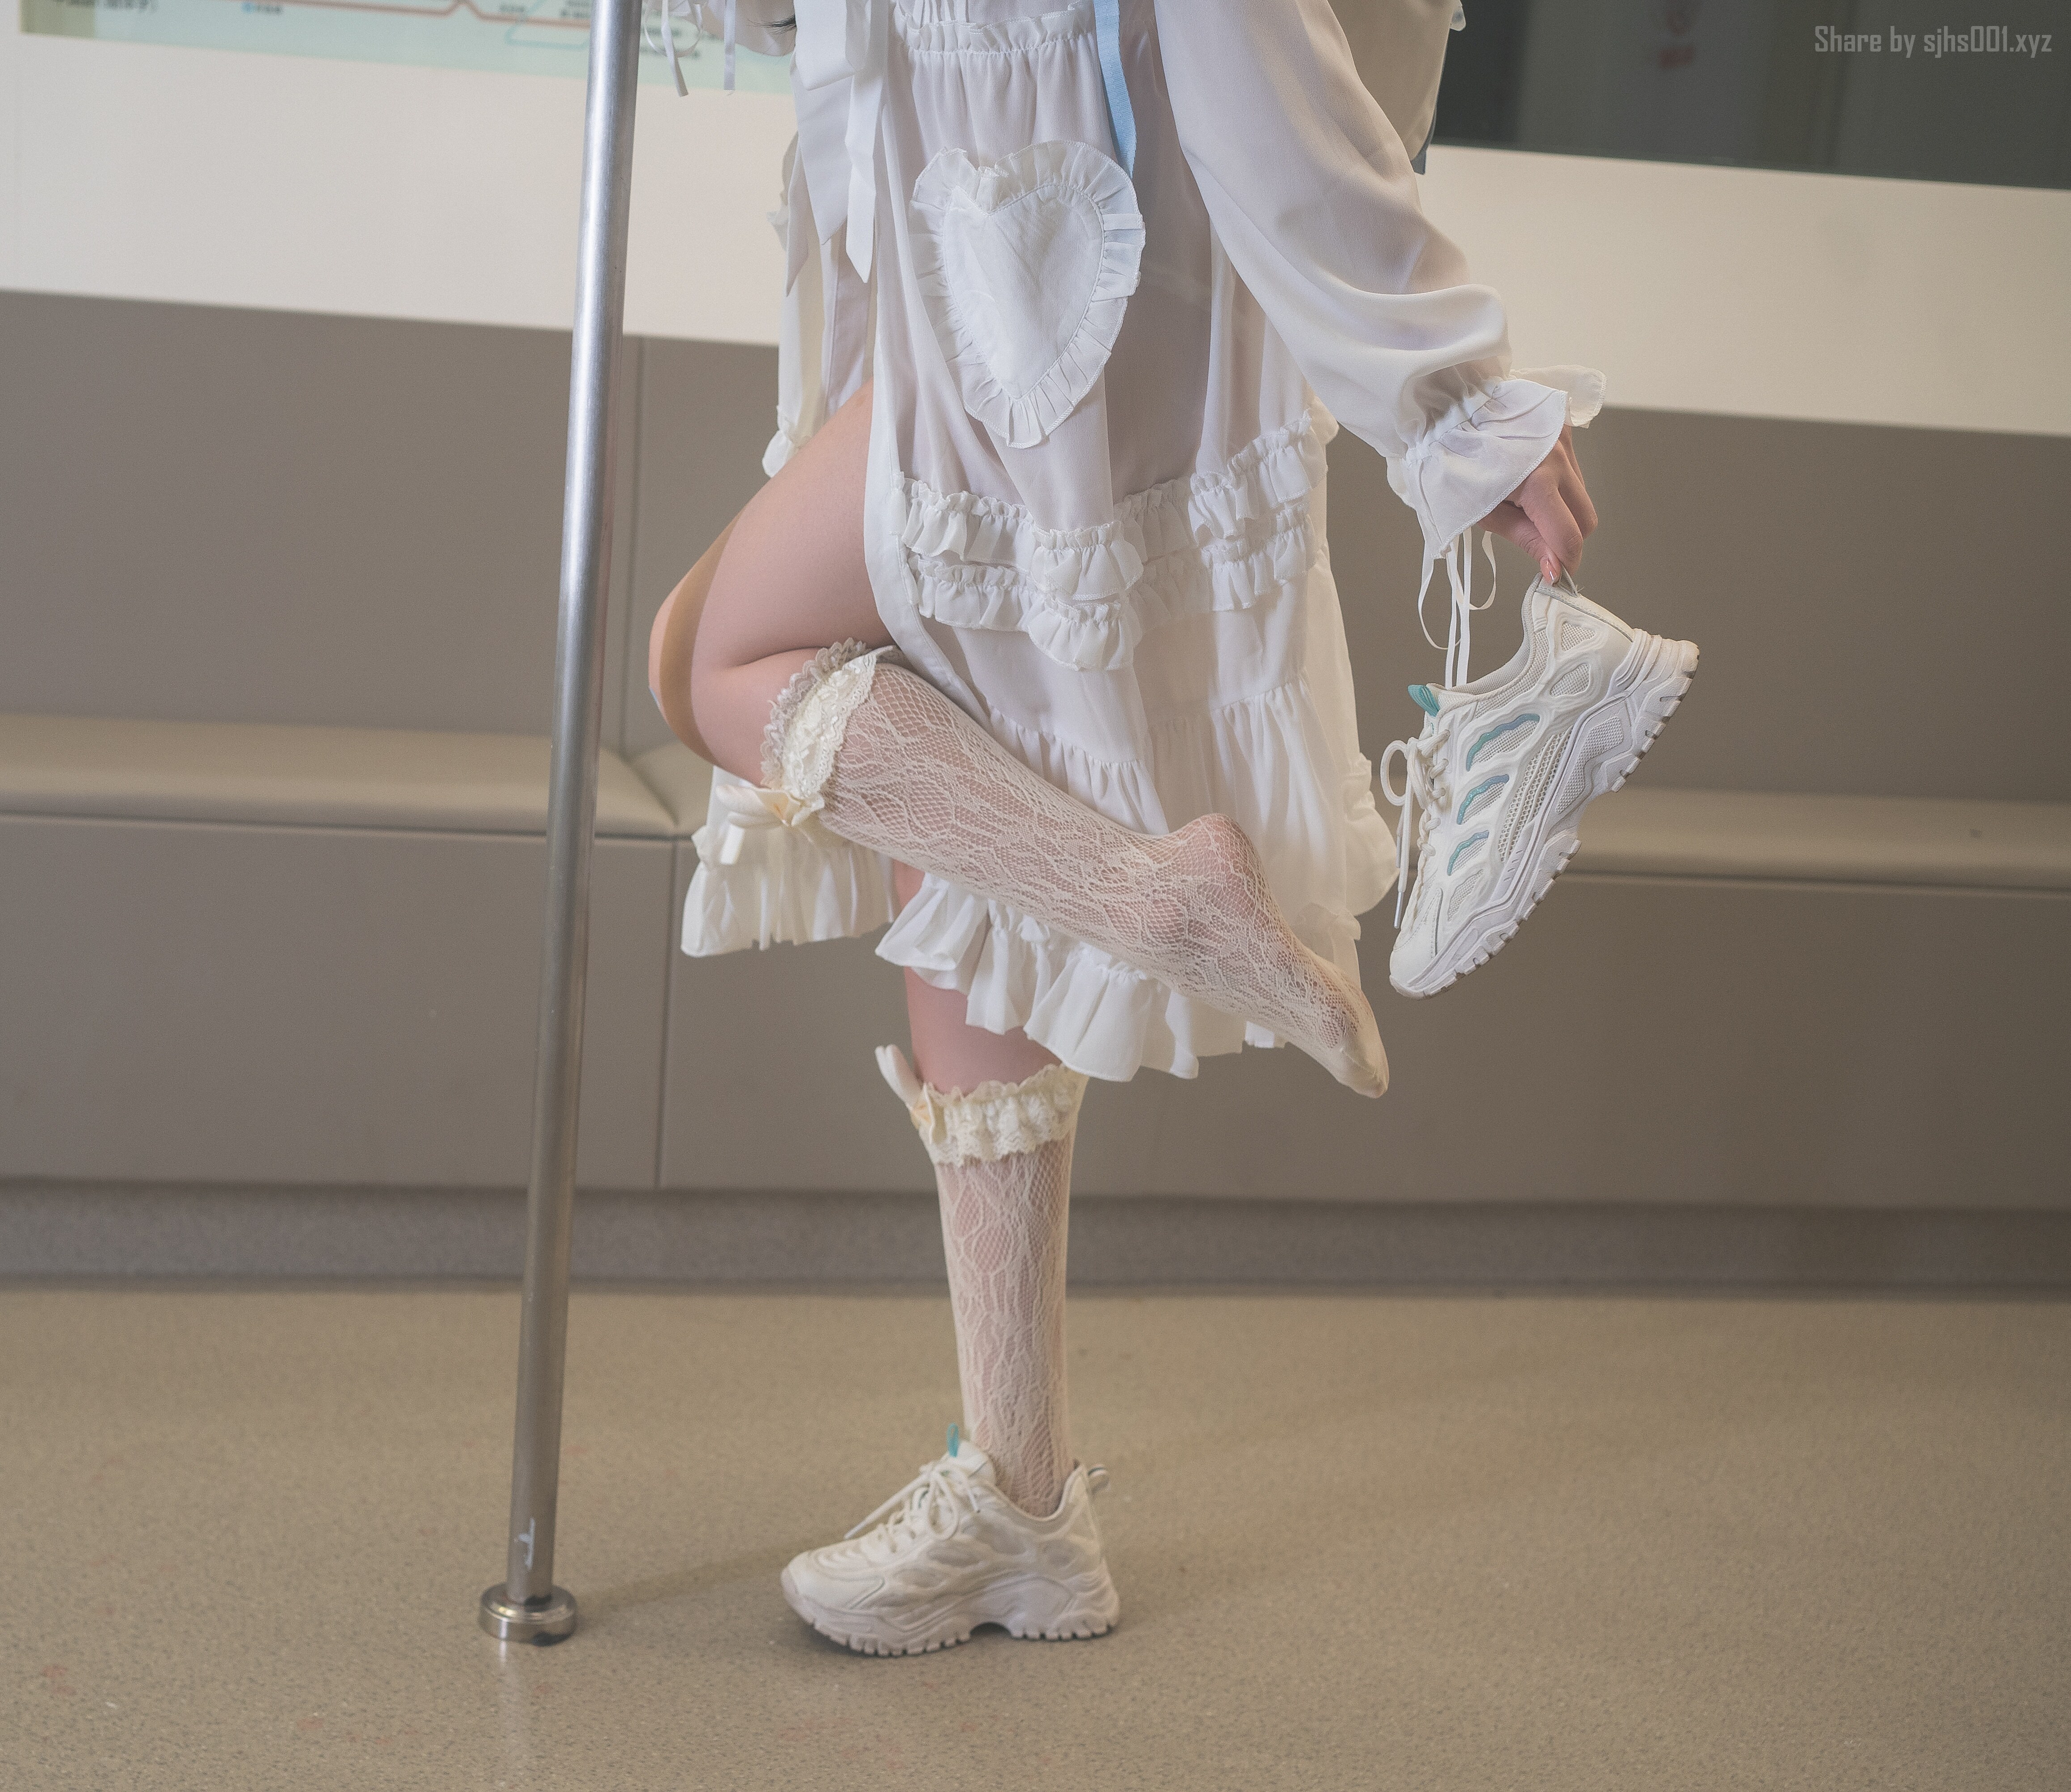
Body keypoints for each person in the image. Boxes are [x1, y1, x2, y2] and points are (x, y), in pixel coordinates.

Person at [646, 0, 1697, 1656]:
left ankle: (1153, 896)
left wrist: (1452, 405)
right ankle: (1021, 1503)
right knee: (964, 829)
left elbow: (1271, 73)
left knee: (714, 661)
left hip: (1056, 324)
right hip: (994, 300)